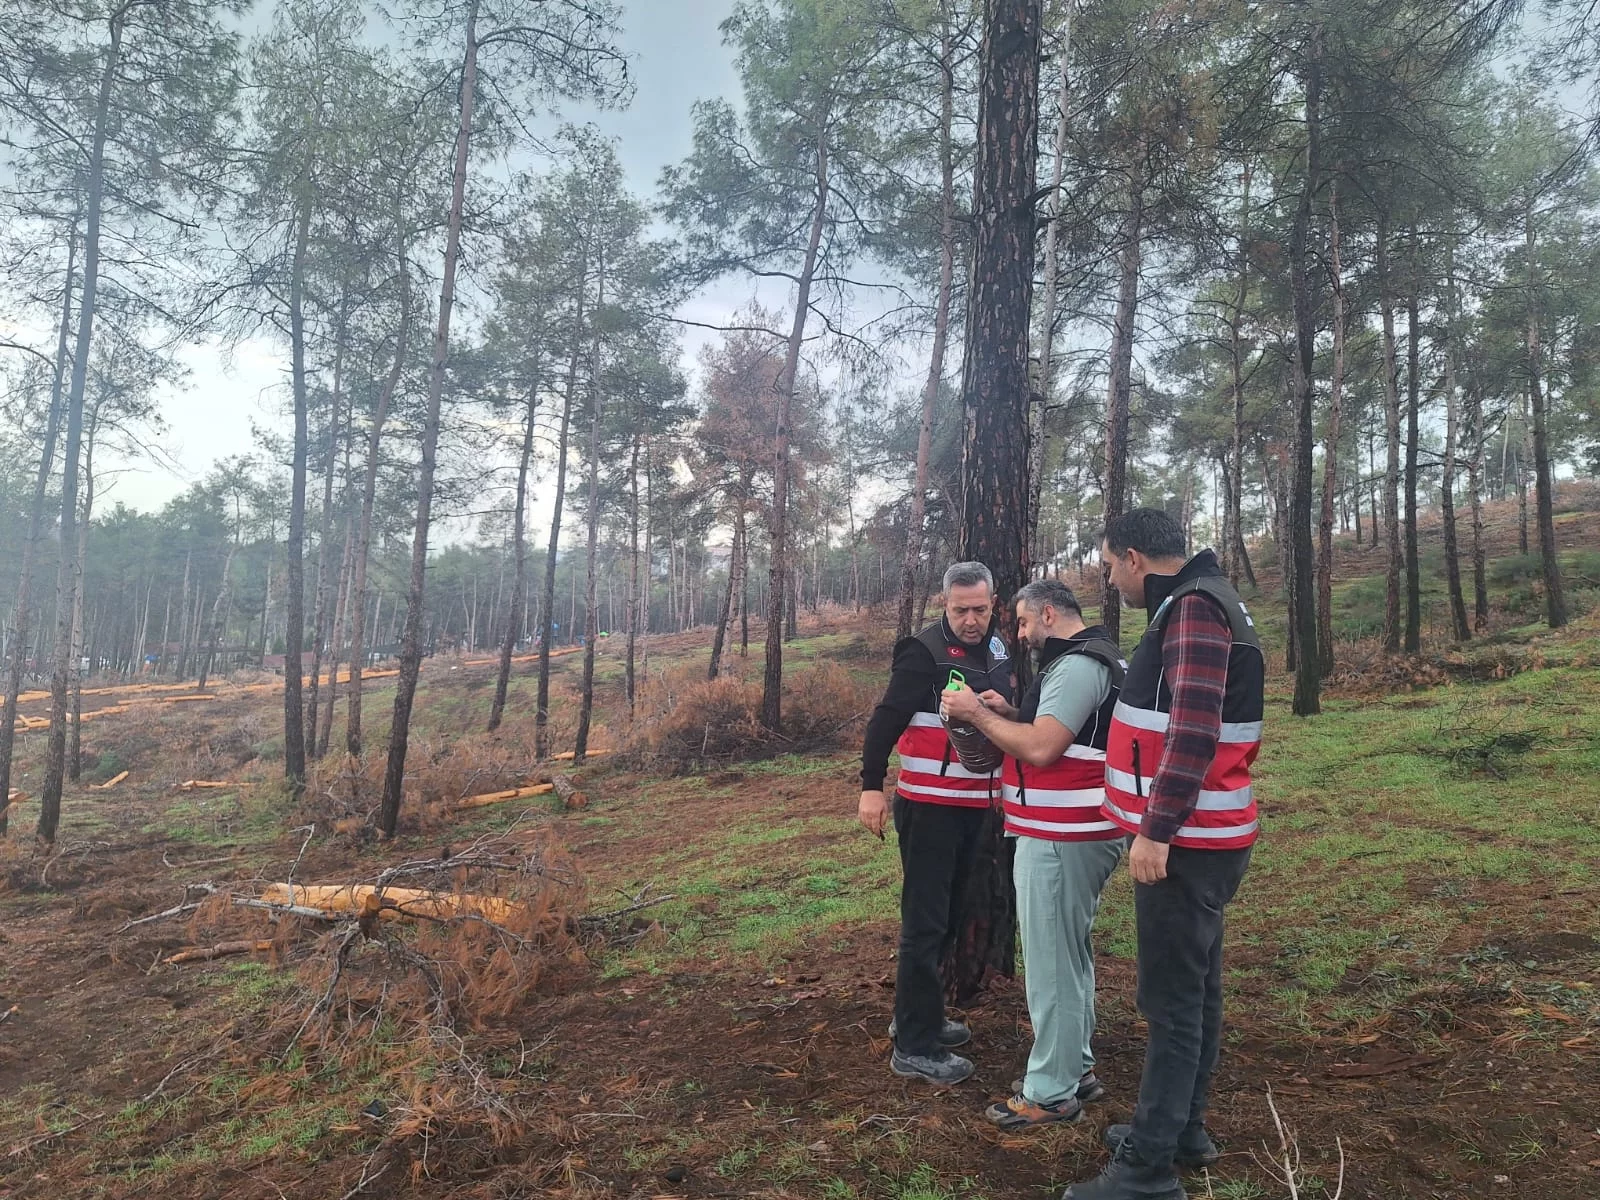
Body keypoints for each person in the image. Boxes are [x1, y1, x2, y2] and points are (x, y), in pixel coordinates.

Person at [1063, 509, 1264, 1200]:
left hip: (1186, 841)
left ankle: (1147, 1170)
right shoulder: (1202, 600)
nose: (1110, 580)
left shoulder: (1194, 609)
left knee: (1172, 1003)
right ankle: (1181, 1131)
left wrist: (1156, 829)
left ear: (1134, 557)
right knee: (1196, 991)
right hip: (1203, 836)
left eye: (1109, 566)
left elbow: (1195, 728)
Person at [941, 578, 1126, 1129]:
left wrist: (978, 716)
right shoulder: (1094, 658)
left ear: (1048, 614)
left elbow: (1045, 748)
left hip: (1063, 834)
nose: (1019, 634)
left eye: (1022, 622)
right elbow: (1063, 730)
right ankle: (1075, 1068)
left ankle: (1050, 1091)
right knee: (1069, 956)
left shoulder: (1077, 665)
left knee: (1051, 966)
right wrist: (1012, 711)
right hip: (1072, 830)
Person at [858, 561, 1015, 1084]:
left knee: (949, 918)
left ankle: (919, 1015)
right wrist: (871, 787)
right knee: (924, 924)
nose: (971, 620)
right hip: (929, 808)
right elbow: (885, 720)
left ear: (993, 603)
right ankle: (914, 1045)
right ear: (944, 604)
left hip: (977, 807)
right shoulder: (922, 652)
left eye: (979, 609)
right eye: (960, 610)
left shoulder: (998, 650)